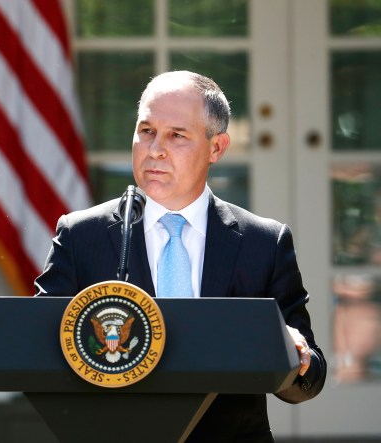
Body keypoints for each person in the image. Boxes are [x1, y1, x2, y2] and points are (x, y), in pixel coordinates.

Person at [34, 70, 326, 442]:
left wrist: (292, 356)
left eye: (177, 135)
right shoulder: (81, 235)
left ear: (217, 148)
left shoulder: (262, 243)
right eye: (146, 131)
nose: (155, 149)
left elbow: (308, 378)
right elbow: (40, 349)